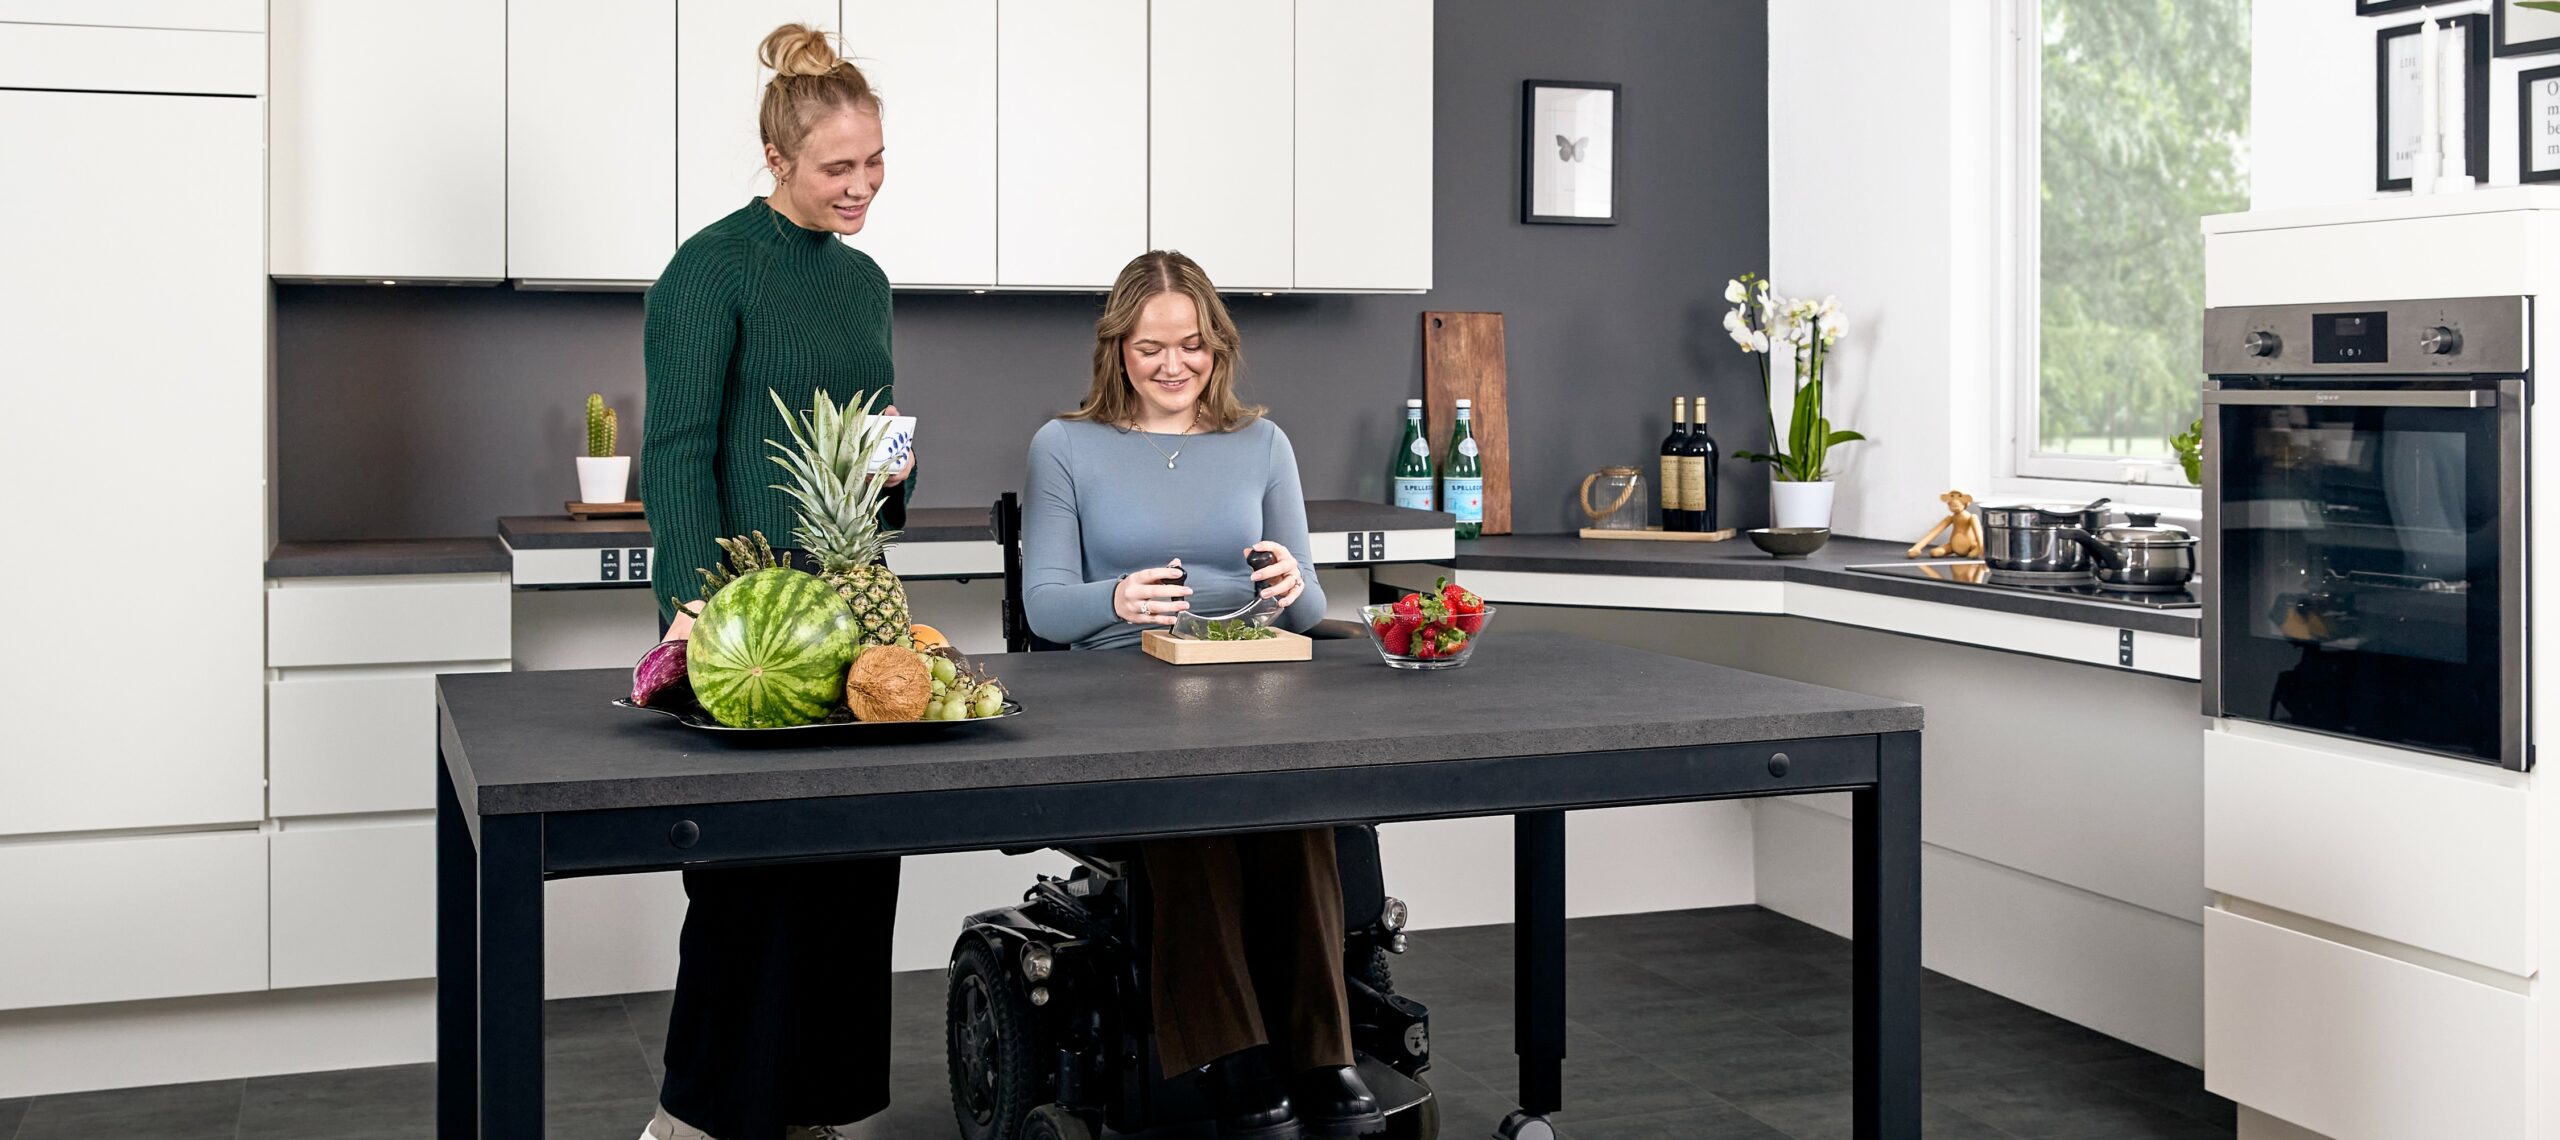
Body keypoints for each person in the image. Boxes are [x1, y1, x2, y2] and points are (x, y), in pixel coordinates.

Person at [1021, 250, 1386, 1139]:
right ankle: (1227, 1049)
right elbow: (1043, 604)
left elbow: (1308, 608)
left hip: (1246, 674)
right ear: (1118, 349)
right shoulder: (1064, 446)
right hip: (1119, 687)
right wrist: (1113, 599)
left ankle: (1320, 1050)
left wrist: (1291, 579)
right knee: (1193, 802)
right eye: (1151, 348)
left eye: (1191, 346)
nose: (1173, 365)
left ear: (1217, 349)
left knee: (1297, 803)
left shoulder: (1262, 444)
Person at [636, 24, 913, 1140]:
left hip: (853, 597)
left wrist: (894, 473)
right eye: (836, 169)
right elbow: (679, 449)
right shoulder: (708, 271)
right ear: (776, 159)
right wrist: (694, 605)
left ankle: (823, 1106)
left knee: (854, 862)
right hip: (745, 610)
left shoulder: (866, 284)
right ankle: (698, 1116)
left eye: (875, 161)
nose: (860, 188)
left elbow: (872, 441)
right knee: (749, 878)